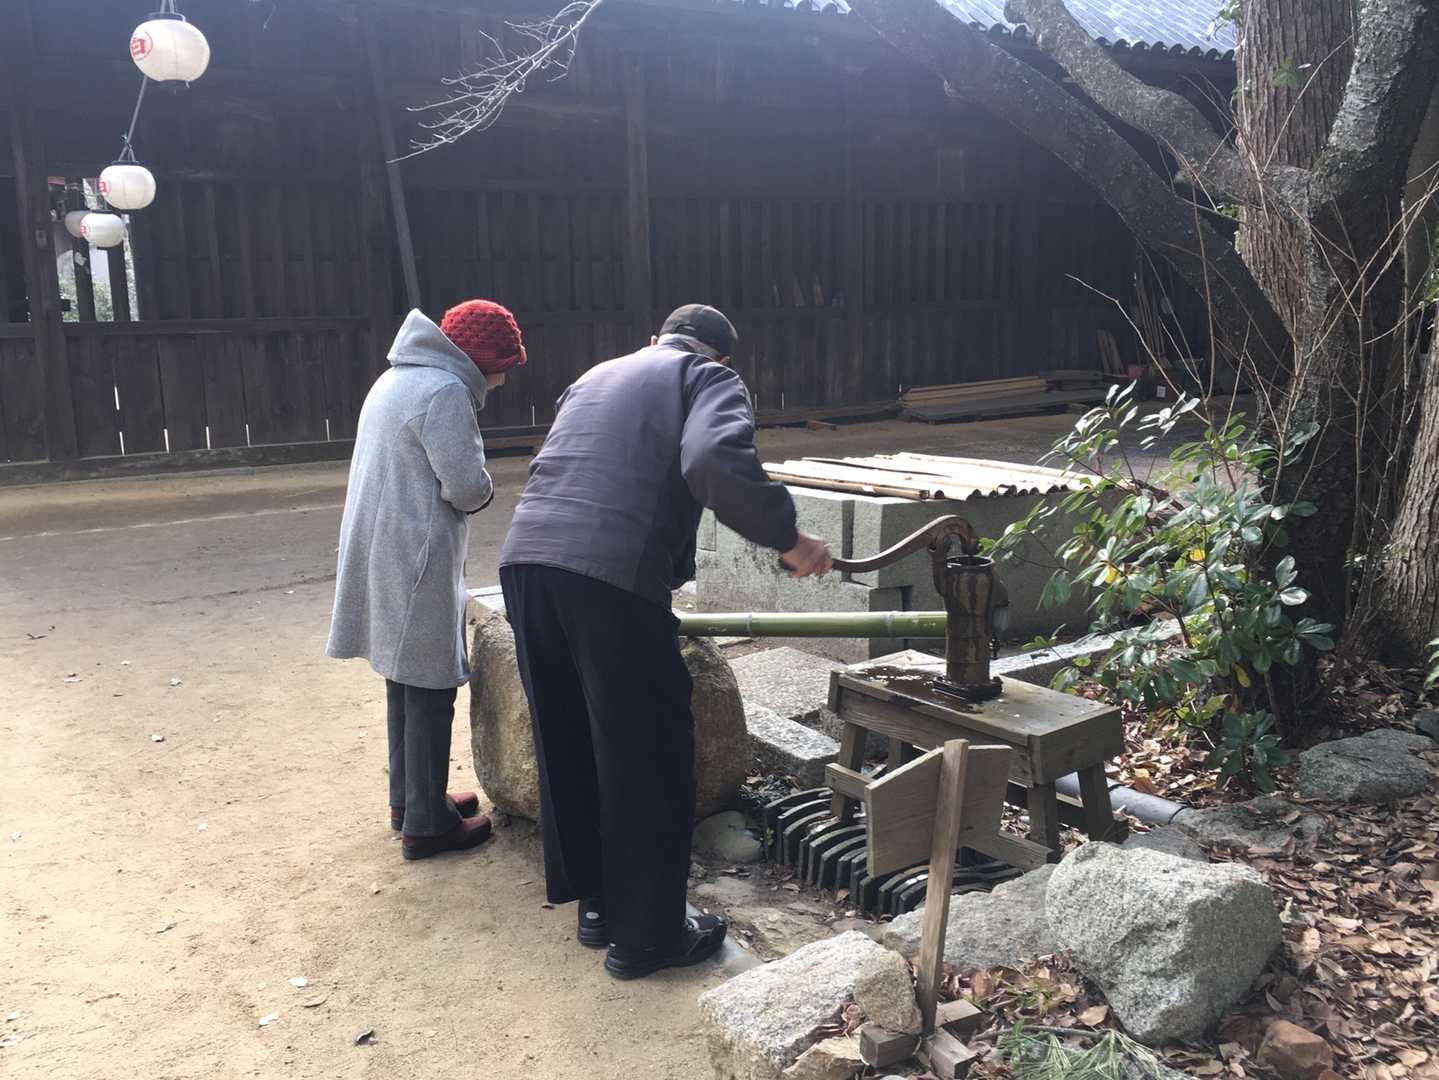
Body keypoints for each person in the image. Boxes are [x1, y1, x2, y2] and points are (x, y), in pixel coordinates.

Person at [499, 304, 833, 979]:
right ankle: (648, 936)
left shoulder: (596, 376)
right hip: (609, 577)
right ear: (721, 357)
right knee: (648, 751)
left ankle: (599, 905)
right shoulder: (706, 377)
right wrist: (789, 538)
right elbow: (712, 462)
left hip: (526, 562)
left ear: (654, 339)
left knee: (569, 738)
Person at [327, 300, 527, 861]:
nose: (504, 379)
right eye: (504, 366)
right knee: (432, 686)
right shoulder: (445, 391)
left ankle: (410, 800)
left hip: (384, 546)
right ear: (483, 359)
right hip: (416, 554)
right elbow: (466, 487)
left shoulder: (396, 377)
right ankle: (428, 825)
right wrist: (487, 488)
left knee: (403, 675)